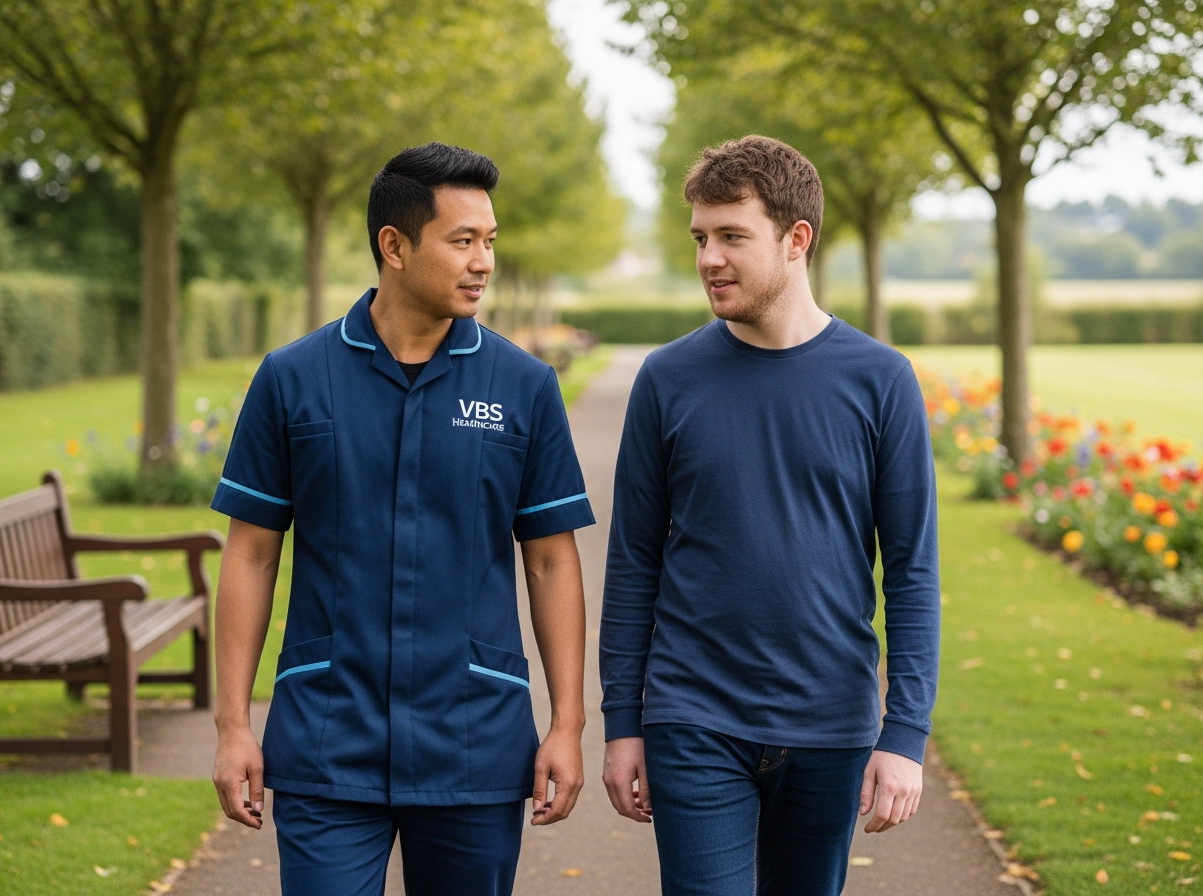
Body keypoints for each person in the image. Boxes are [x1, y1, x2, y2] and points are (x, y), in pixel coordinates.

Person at [210, 142, 594, 896]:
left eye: (490, 241)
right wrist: (231, 727)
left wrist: (567, 725)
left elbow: (551, 560)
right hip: (327, 741)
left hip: (474, 745)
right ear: (394, 245)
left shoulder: (524, 385)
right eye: (463, 241)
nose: (483, 262)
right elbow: (251, 553)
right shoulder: (292, 379)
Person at [599, 135, 940, 896]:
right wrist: (623, 722)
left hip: (831, 722)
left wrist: (906, 734)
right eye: (700, 238)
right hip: (694, 716)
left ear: (796, 239)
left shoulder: (882, 381)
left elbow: (912, 571)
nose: (709, 259)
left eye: (732, 236)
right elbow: (633, 563)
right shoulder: (667, 379)